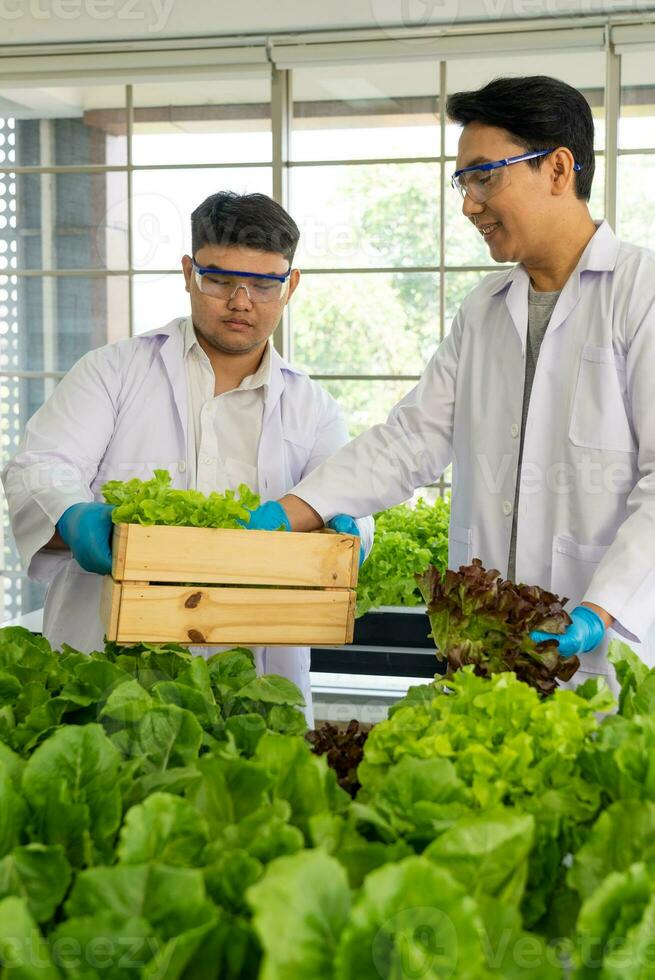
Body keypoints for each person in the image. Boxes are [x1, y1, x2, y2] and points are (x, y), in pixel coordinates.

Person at [243, 76, 655, 687]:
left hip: (606, 654)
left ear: (559, 169)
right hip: (483, 650)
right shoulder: (485, 309)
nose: (469, 204)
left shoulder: (640, 294)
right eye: (463, 181)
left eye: (486, 175)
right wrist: (295, 509)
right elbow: (410, 439)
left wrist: (600, 611)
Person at [2, 191, 373, 724]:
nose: (241, 301)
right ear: (188, 272)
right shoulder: (113, 372)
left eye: (264, 284)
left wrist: (348, 526)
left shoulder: (312, 406)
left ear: (290, 286)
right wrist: (73, 516)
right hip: (111, 674)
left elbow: (349, 497)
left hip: (254, 684)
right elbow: (40, 466)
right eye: (220, 280)